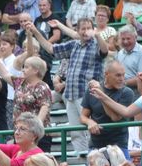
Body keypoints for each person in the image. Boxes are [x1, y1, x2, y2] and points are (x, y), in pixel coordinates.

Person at [35, 18, 109, 153]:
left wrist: (97, 35)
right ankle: (82, 157)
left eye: (88, 28)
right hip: (70, 94)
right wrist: (35, 31)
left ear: (93, 29)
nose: (86, 31)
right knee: (75, 131)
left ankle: (94, 155)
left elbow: (105, 51)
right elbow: (50, 48)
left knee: (89, 129)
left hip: (87, 95)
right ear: (78, 31)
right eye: (83, 28)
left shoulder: (96, 44)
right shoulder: (74, 44)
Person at [81, 62, 138, 152]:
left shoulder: (127, 92)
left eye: (123, 75)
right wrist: (89, 122)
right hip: (96, 145)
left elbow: (115, 117)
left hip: (118, 145)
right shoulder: (93, 90)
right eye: (118, 75)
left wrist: (101, 95)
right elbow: (83, 116)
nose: (122, 79)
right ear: (106, 74)